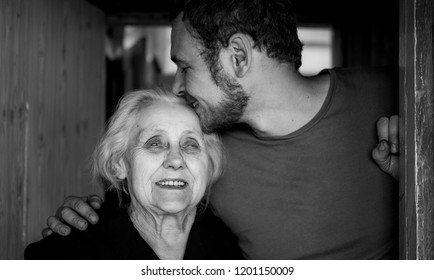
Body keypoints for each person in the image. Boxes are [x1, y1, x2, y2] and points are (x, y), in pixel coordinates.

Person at [41, 0, 400, 259]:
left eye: (185, 66)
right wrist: (82, 222)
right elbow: (141, 207)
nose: (178, 86)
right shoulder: (207, 145)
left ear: (238, 58)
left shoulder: (401, 95)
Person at [25, 88, 242, 259]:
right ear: (119, 164)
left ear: (209, 164)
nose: (176, 160)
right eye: (155, 143)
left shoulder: (233, 250)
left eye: (191, 145)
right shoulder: (67, 256)